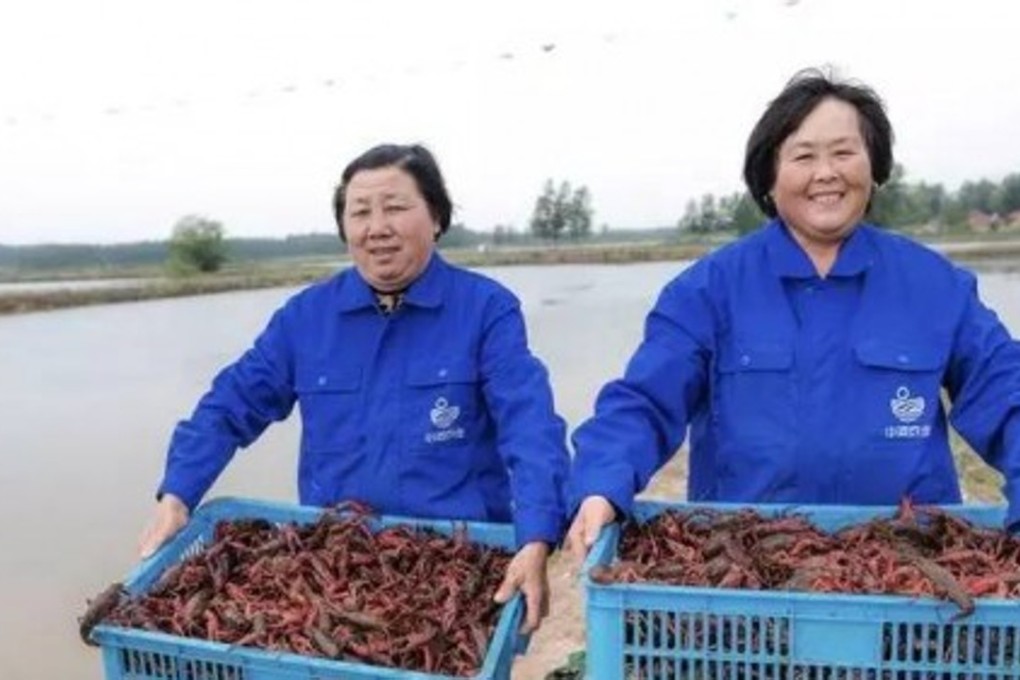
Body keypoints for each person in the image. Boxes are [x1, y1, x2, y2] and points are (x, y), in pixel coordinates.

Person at [566, 68, 1020, 559]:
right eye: (803, 156)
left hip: (911, 567)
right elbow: (643, 403)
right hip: (748, 565)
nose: (826, 173)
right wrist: (601, 485)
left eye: (844, 152)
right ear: (769, 177)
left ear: (875, 166)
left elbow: (1005, 391)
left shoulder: (935, 285)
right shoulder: (708, 290)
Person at [138, 143, 570, 633]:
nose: (377, 227)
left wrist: (536, 535)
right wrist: (177, 493)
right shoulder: (306, 318)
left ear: (436, 217)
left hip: (459, 561)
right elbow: (231, 403)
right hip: (338, 562)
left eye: (396, 207)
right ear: (344, 228)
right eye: (360, 212)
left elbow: (529, 425)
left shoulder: (486, 310)